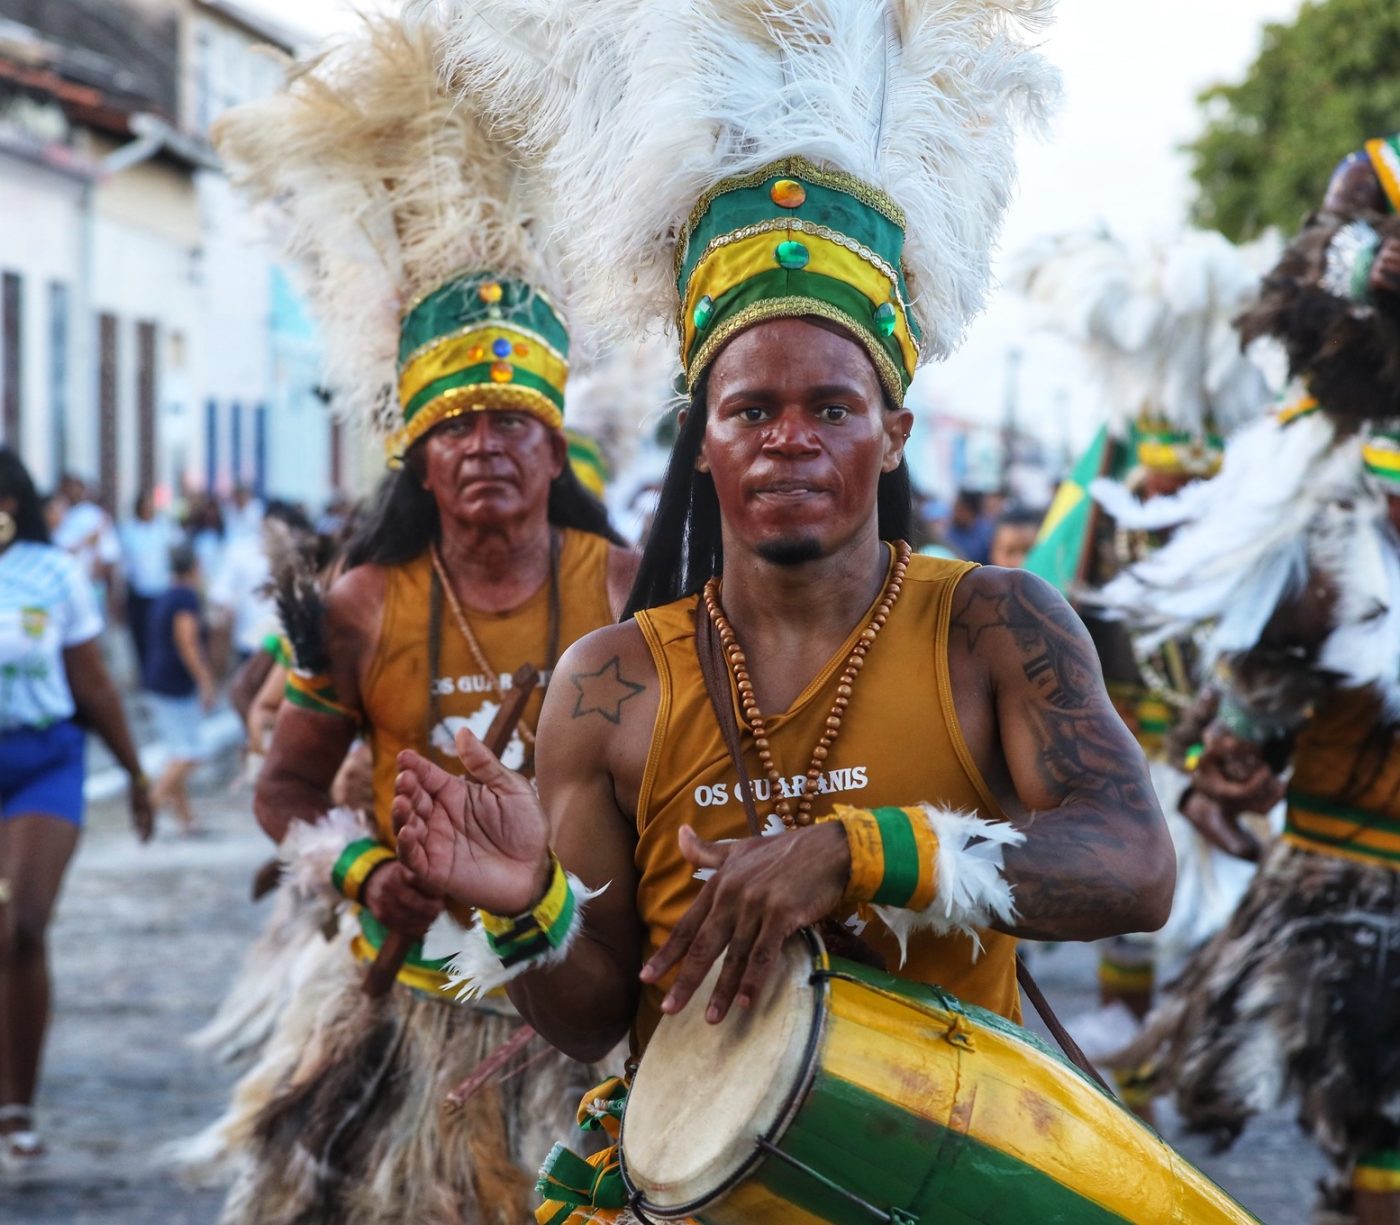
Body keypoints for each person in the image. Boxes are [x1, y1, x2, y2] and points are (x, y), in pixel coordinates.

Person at [397, 3, 1173, 1218]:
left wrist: (858, 853)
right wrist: (524, 915)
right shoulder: (609, 687)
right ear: (702, 443)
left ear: (893, 429)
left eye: (831, 407)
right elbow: (598, 1011)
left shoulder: (992, 627)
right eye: (750, 411)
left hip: (949, 1187)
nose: (789, 442)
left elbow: (1134, 868)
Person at [180, 19, 640, 1224]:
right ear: (417, 458)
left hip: (581, 992)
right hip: (407, 1011)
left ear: (554, 444)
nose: (484, 446)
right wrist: (360, 864)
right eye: (457, 426)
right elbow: (281, 793)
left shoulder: (624, 589)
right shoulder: (358, 604)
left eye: (510, 423)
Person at [1097, 147, 1400, 1224]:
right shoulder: (1329, 459)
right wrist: (1232, 736)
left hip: (1353, 849)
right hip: (1346, 850)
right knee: (1372, 1104)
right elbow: (1302, 615)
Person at [1011, 227, 1275, 1099]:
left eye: (1189, 493)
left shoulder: (1243, 528)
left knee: (1219, 906)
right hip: (1129, 737)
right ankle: (1134, 1041)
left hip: (1218, 736)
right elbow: (1059, 597)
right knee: (1130, 895)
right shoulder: (1102, 517)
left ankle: (1192, 1044)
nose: (1169, 505)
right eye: (1156, 491)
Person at [0, 448, 152, 1167]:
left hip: (44, 761)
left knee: (20, 925)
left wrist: (137, 775)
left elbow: (92, 682)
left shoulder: (53, 572)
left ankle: (16, 1104)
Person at [142, 546, 216, 834]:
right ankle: (150, 806)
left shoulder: (166, 595)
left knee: (178, 750)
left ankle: (187, 820)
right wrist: (205, 679)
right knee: (190, 754)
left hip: (160, 679)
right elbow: (187, 643)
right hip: (173, 683)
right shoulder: (186, 598)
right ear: (195, 567)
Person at [118, 489, 177, 677]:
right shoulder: (128, 530)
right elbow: (123, 564)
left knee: (159, 633)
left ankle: (158, 671)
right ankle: (144, 672)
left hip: (161, 590)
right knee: (139, 633)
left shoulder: (164, 528)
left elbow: (176, 553)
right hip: (137, 592)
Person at [942, 488, 996, 563]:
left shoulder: (986, 534)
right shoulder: (950, 531)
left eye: (959, 509)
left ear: (970, 511)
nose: (954, 513)